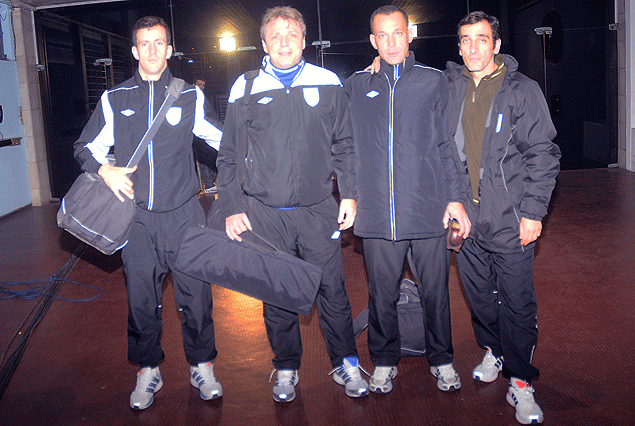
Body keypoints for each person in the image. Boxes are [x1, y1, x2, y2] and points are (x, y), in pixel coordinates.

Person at [216, 6, 368, 402]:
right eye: (275, 35)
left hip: (319, 210)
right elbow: (228, 155)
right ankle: (286, 368)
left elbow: (345, 145)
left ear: (304, 40)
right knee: (278, 294)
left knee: (331, 289)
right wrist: (232, 205)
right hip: (265, 215)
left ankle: (347, 363)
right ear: (264, 44)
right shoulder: (244, 88)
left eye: (292, 34)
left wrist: (348, 193)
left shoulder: (328, 81)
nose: (284, 41)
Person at [73, 16, 224, 410]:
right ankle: (147, 370)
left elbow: (224, 138)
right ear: (135, 51)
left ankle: (202, 365)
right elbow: (84, 147)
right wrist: (104, 169)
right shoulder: (115, 99)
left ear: (169, 49)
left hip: (186, 216)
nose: (153, 50)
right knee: (141, 299)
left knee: (197, 297)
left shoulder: (190, 96)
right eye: (146, 43)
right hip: (136, 220)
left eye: (160, 43)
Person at [344, 5, 470, 395]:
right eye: (383, 35)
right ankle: (383, 360)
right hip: (378, 214)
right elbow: (343, 146)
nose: (391, 42)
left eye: (397, 33)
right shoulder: (355, 85)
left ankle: (442, 359)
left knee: (436, 293)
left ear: (409, 33)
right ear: (373, 41)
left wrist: (455, 199)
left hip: (428, 211)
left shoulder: (434, 82)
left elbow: (446, 145)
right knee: (381, 295)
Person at [445, 11, 560, 425]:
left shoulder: (521, 90)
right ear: (458, 46)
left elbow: (543, 153)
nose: (473, 47)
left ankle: (522, 382)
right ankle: (494, 351)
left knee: (516, 302)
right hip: (465, 218)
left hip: (510, 218)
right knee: (478, 298)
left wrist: (533, 211)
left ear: (496, 45)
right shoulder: (450, 86)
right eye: (465, 40)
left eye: (482, 39)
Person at [192, 77, 219, 193]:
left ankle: (210, 183)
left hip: (205, 135)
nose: (201, 87)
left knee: (211, 158)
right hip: (196, 135)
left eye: (203, 85)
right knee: (203, 160)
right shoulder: (191, 97)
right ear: (194, 84)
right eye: (199, 84)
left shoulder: (203, 98)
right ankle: (208, 185)